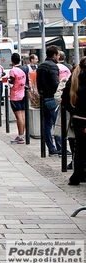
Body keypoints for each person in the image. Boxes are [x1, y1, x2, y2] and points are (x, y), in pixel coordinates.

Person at [61, 56, 86, 185]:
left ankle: (77, 175)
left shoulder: (75, 76)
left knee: (80, 147)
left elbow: (65, 98)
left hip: (78, 118)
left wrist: (73, 111)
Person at [36, 45, 62, 156]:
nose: (58, 57)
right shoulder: (53, 66)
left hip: (43, 97)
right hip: (52, 98)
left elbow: (38, 82)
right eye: (58, 55)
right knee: (58, 124)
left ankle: (50, 148)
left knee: (46, 124)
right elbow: (55, 83)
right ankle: (60, 148)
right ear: (54, 55)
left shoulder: (41, 66)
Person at [8, 53, 26, 144]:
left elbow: (11, 83)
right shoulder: (24, 68)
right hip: (23, 94)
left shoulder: (13, 71)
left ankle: (21, 136)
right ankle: (22, 134)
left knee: (18, 116)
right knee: (23, 115)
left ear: (12, 61)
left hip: (15, 95)